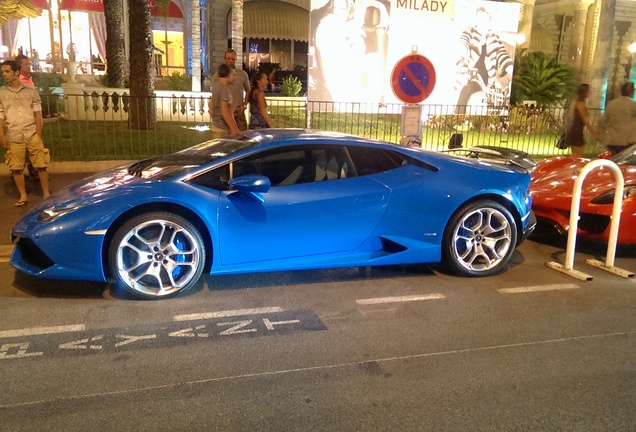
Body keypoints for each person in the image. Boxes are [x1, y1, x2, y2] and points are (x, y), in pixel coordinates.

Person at [0, 60, 51, 206]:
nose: (4, 74)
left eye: (7, 71)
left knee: (41, 164)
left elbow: (38, 114)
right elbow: (1, 115)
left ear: (16, 72)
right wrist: (2, 135)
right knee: (16, 167)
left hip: (31, 133)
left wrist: (38, 133)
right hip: (14, 134)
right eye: (3, 72)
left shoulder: (30, 92)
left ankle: (46, 193)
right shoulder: (2, 93)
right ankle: (23, 195)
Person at [212, 49, 250, 131]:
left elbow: (248, 90)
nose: (231, 61)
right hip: (226, 112)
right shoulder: (217, 76)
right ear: (225, 59)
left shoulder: (243, 74)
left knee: (243, 135)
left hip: (238, 110)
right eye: (229, 59)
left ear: (236, 59)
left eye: (233, 59)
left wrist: (245, 104)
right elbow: (214, 94)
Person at [566, 83, 602, 158]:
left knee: (574, 155)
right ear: (584, 92)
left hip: (574, 130)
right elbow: (585, 120)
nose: (589, 93)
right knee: (579, 156)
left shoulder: (575, 102)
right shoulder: (581, 104)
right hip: (577, 131)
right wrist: (594, 133)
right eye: (588, 91)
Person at [601, 81, 636, 155]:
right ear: (631, 91)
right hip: (627, 141)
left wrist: (603, 132)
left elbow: (602, 120)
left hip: (611, 140)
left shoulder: (611, 104)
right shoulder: (633, 106)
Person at [210, 64, 240, 138]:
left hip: (216, 126)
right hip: (222, 129)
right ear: (228, 74)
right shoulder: (224, 89)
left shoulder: (216, 86)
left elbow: (211, 106)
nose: (234, 78)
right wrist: (234, 129)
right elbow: (224, 112)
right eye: (233, 75)